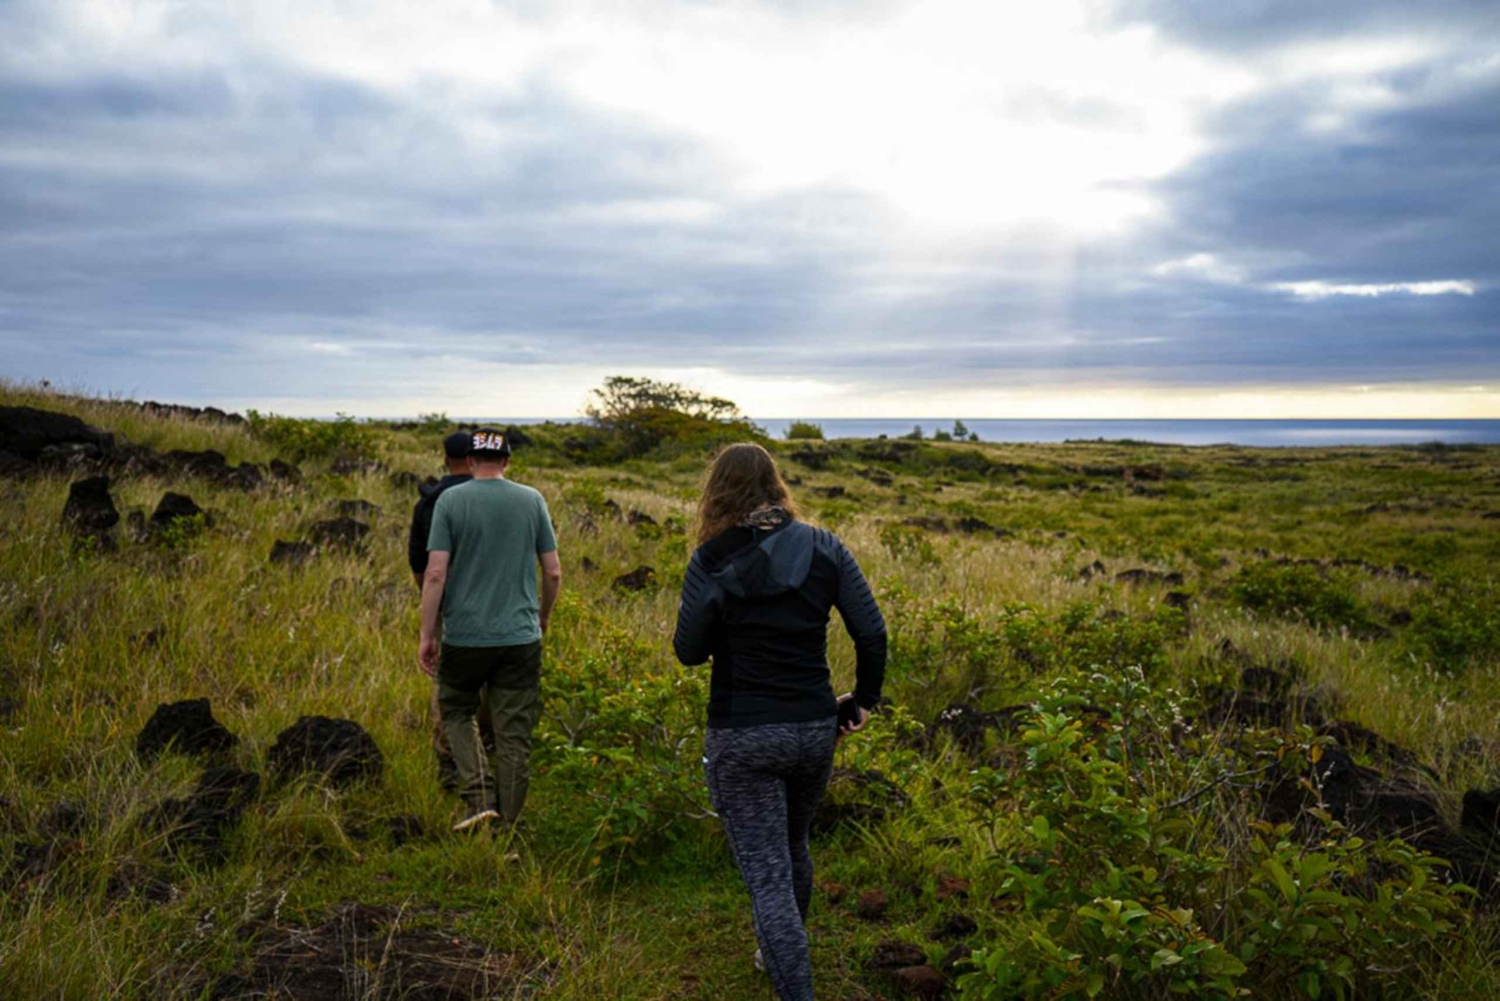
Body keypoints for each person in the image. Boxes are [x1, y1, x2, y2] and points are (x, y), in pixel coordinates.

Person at [673, 442, 887, 1001]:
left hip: (743, 734)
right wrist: (863, 699)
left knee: (768, 875)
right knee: (793, 848)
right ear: (776, 484)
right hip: (815, 728)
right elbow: (872, 631)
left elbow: (689, 651)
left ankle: (792, 982)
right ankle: (775, 956)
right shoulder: (825, 547)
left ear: (716, 491)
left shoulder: (711, 559)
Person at [418, 428, 562, 832]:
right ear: (507, 462)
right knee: (513, 733)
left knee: (458, 712)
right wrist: (543, 616)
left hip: (464, 636)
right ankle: (510, 823)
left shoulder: (450, 500)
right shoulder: (531, 499)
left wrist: (427, 634)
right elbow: (552, 571)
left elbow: (434, 573)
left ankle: (480, 799)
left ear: (468, 462)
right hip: (520, 636)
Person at [407, 431, 490, 793]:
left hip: (446, 602)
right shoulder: (494, 498)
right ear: (473, 460)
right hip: (492, 602)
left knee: (449, 686)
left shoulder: (429, 502)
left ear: (446, 459)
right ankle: (486, 752)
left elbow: (420, 564)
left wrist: (432, 603)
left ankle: (450, 761)